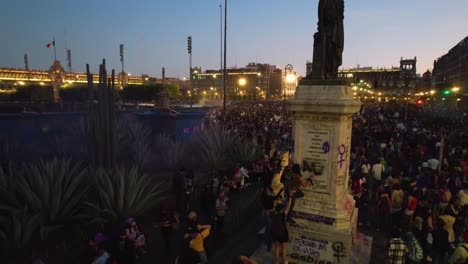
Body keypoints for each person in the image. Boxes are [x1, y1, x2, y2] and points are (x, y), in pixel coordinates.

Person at [271, 197, 293, 264]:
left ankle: (277, 262)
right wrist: (290, 198)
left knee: (277, 247)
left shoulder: (272, 214)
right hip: (283, 233)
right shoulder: (283, 215)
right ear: (282, 210)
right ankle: (284, 261)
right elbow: (288, 206)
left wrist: (278, 200)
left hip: (275, 233)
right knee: (284, 248)